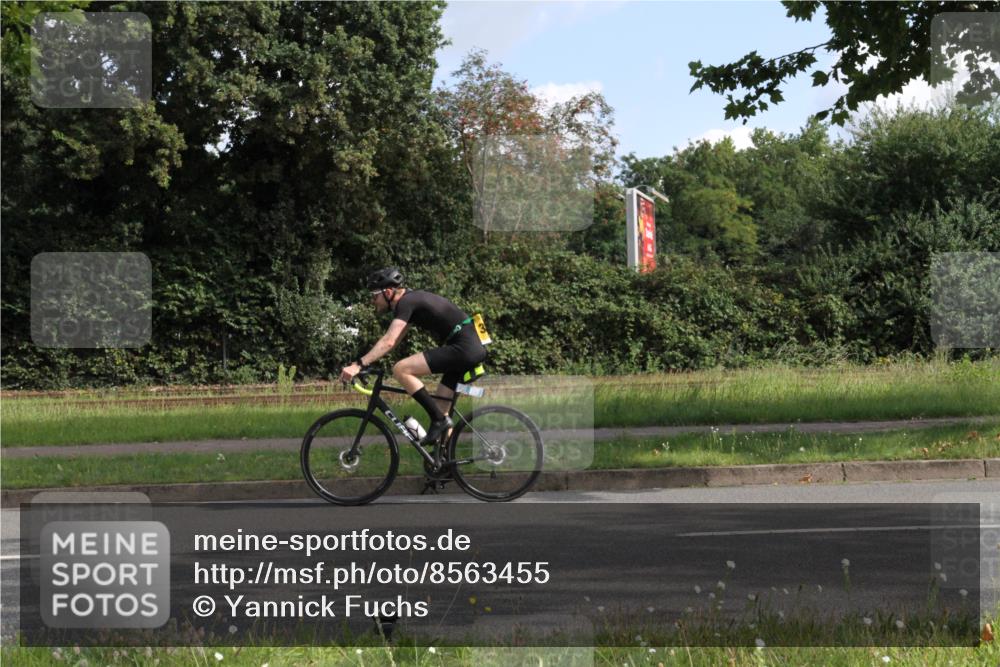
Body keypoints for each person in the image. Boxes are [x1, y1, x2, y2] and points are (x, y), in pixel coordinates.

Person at [339, 268, 487, 445]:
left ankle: (439, 421)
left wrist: (358, 365)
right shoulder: (412, 301)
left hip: (465, 347)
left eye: (374, 296)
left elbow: (389, 341)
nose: (373, 301)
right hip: (470, 345)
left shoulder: (406, 302)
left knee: (401, 369)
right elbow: (391, 342)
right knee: (441, 407)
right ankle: (445, 463)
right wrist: (366, 362)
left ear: (387, 292)